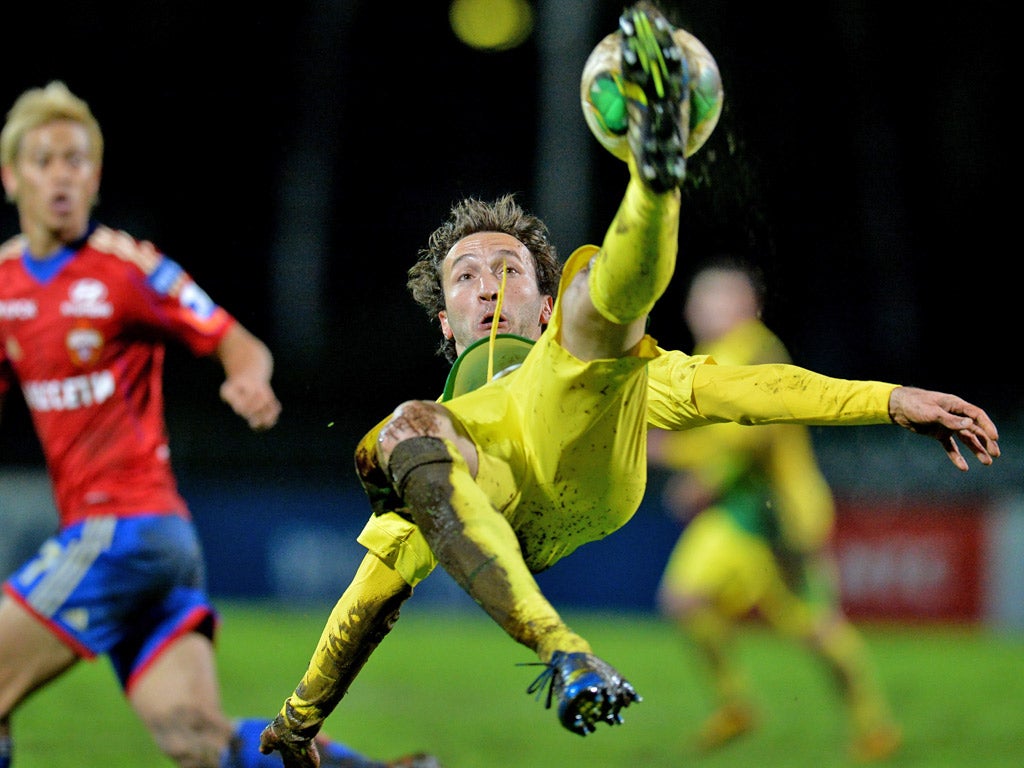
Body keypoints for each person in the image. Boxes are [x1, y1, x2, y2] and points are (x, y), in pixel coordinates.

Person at [259, 3, 1000, 766]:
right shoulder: (433, 439)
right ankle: (569, 655)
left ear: (536, 304)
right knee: (404, 433)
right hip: (486, 486)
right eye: (467, 276)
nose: (490, 285)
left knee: (599, 301)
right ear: (444, 320)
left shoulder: (574, 337)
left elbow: (747, 390)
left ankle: (654, 176)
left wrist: (888, 400)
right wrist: (297, 720)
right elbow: (367, 601)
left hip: (581, 408)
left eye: (511, 270)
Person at [0, 81, 438, 768]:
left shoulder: (126, 270)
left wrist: (248, 374)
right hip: (147, 551)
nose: (62, 174)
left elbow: (235, 338)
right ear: (11, 175)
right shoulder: (6, 286)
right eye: (46, 159)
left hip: (127, 531)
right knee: (199, 742)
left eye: (77, 160)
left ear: (95, 177)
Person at [646, 255, 901, 762]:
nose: (700, 307)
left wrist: (697, 474)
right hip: (740, 513)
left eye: (713, 297)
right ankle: (736, 705)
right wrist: (666, 449)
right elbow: (713, 434)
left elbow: (754, 435)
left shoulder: (757, 351)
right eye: (698, 298)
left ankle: (874, 725)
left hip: (782, 514)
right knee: (683, 600)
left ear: (747, 305)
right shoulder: (714, 353)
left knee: (816, 627)